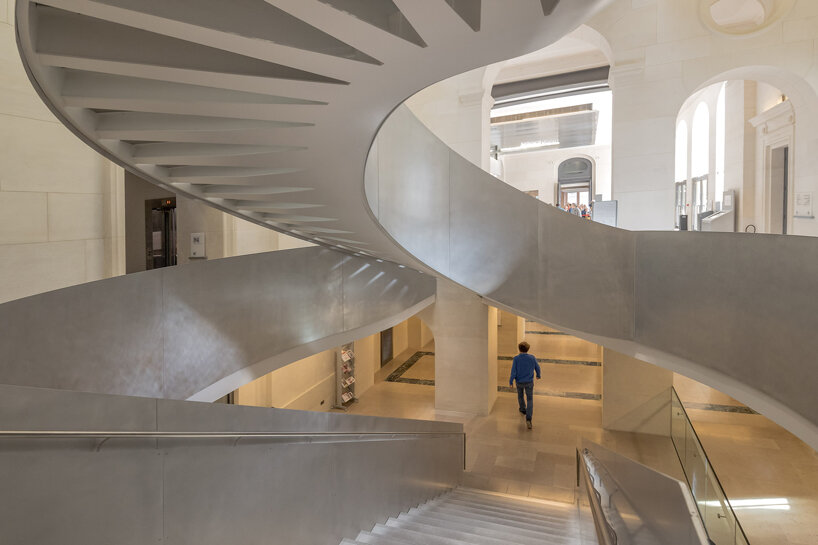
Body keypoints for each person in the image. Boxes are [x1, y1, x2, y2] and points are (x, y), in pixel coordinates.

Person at [509, 341, 541, 429]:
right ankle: (529, 419)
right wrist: (538, 375)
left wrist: (511, 381)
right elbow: (537, 367)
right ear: (528, 349)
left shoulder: (516, 359)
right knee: (530, 399)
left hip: (519, 382)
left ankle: (523, 409)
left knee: (520, 396)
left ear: (519, 349)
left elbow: (513, 372)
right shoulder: (532, 358)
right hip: (529, 382)